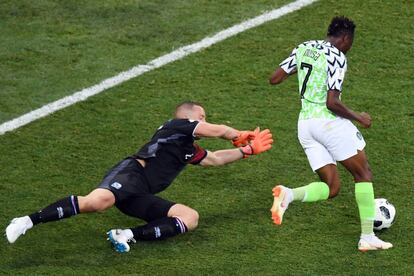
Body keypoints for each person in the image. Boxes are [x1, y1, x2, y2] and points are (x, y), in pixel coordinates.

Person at [5, 101, 273, 253]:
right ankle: (28, 220)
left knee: (190, 218)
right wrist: (238, 134)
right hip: (132, 174)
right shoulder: (175, 126)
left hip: (141, 194)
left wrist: (247, 151)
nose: (205, 120)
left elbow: (215, 159)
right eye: (202, 116)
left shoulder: (187, 148)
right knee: (97, 203)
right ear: (190, 117)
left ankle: (125, 234)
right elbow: (217, 130)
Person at [268, 16, 392, 251]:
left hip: (305, 126)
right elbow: (332, 103)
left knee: (332, 187)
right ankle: (367, 237)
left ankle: (289, 195)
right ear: (345, 39)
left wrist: (310, 71)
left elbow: (275, 78)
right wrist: (359, 117)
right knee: (363, 174)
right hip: (328, 124)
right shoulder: (337, 57)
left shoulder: (304, 47)